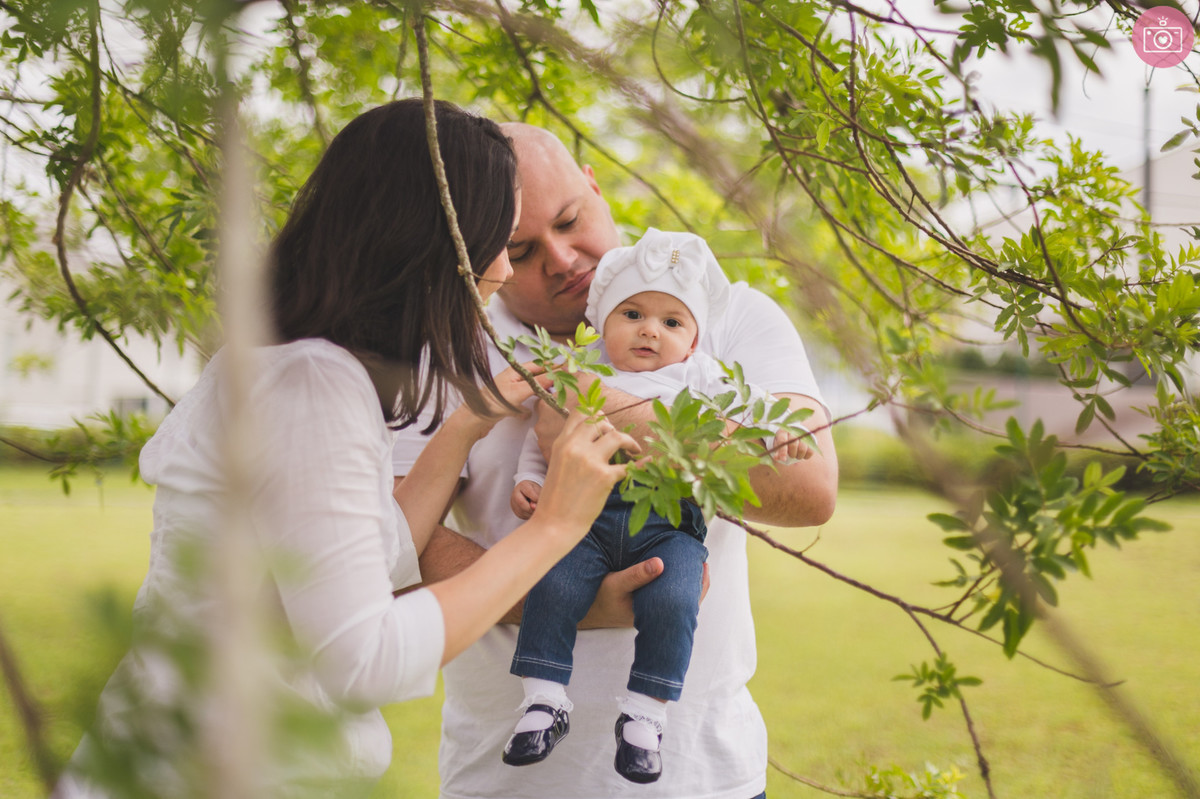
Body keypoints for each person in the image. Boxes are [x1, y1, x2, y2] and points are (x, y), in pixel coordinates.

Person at [51, 99, 637, 799]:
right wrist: (555, 528)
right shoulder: (310, 386)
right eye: (497, 240)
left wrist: (463, 427)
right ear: (427, 240)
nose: (503, 273)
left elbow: (373, 557)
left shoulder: (307, 370)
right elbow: (365, 660)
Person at [392, 123, 838, 799]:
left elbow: (806, 489)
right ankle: (548, 698)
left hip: (701, 777)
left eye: (572, 219)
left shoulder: (729, 317)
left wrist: (588, 395)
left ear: (595, 186)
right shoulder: (445, 347)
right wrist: (574, 600)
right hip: (505, 780)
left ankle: (645, 716)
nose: (564, 257)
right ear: (480, 247)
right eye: (520, 246)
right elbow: (393, 543)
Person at [502, 228, 813, 784]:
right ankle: (544, 701)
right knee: (552, 586)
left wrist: (777, 432)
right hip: (588, 521)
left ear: (692, 341)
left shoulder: (700, 375)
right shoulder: (582, 367)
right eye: (634, 314)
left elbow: (757, 405)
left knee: (674, 601)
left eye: (672, 322)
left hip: (670, 525)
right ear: (602, 324)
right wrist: (530, 479)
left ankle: (645, 715)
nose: (651, 329)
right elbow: (540, 436)